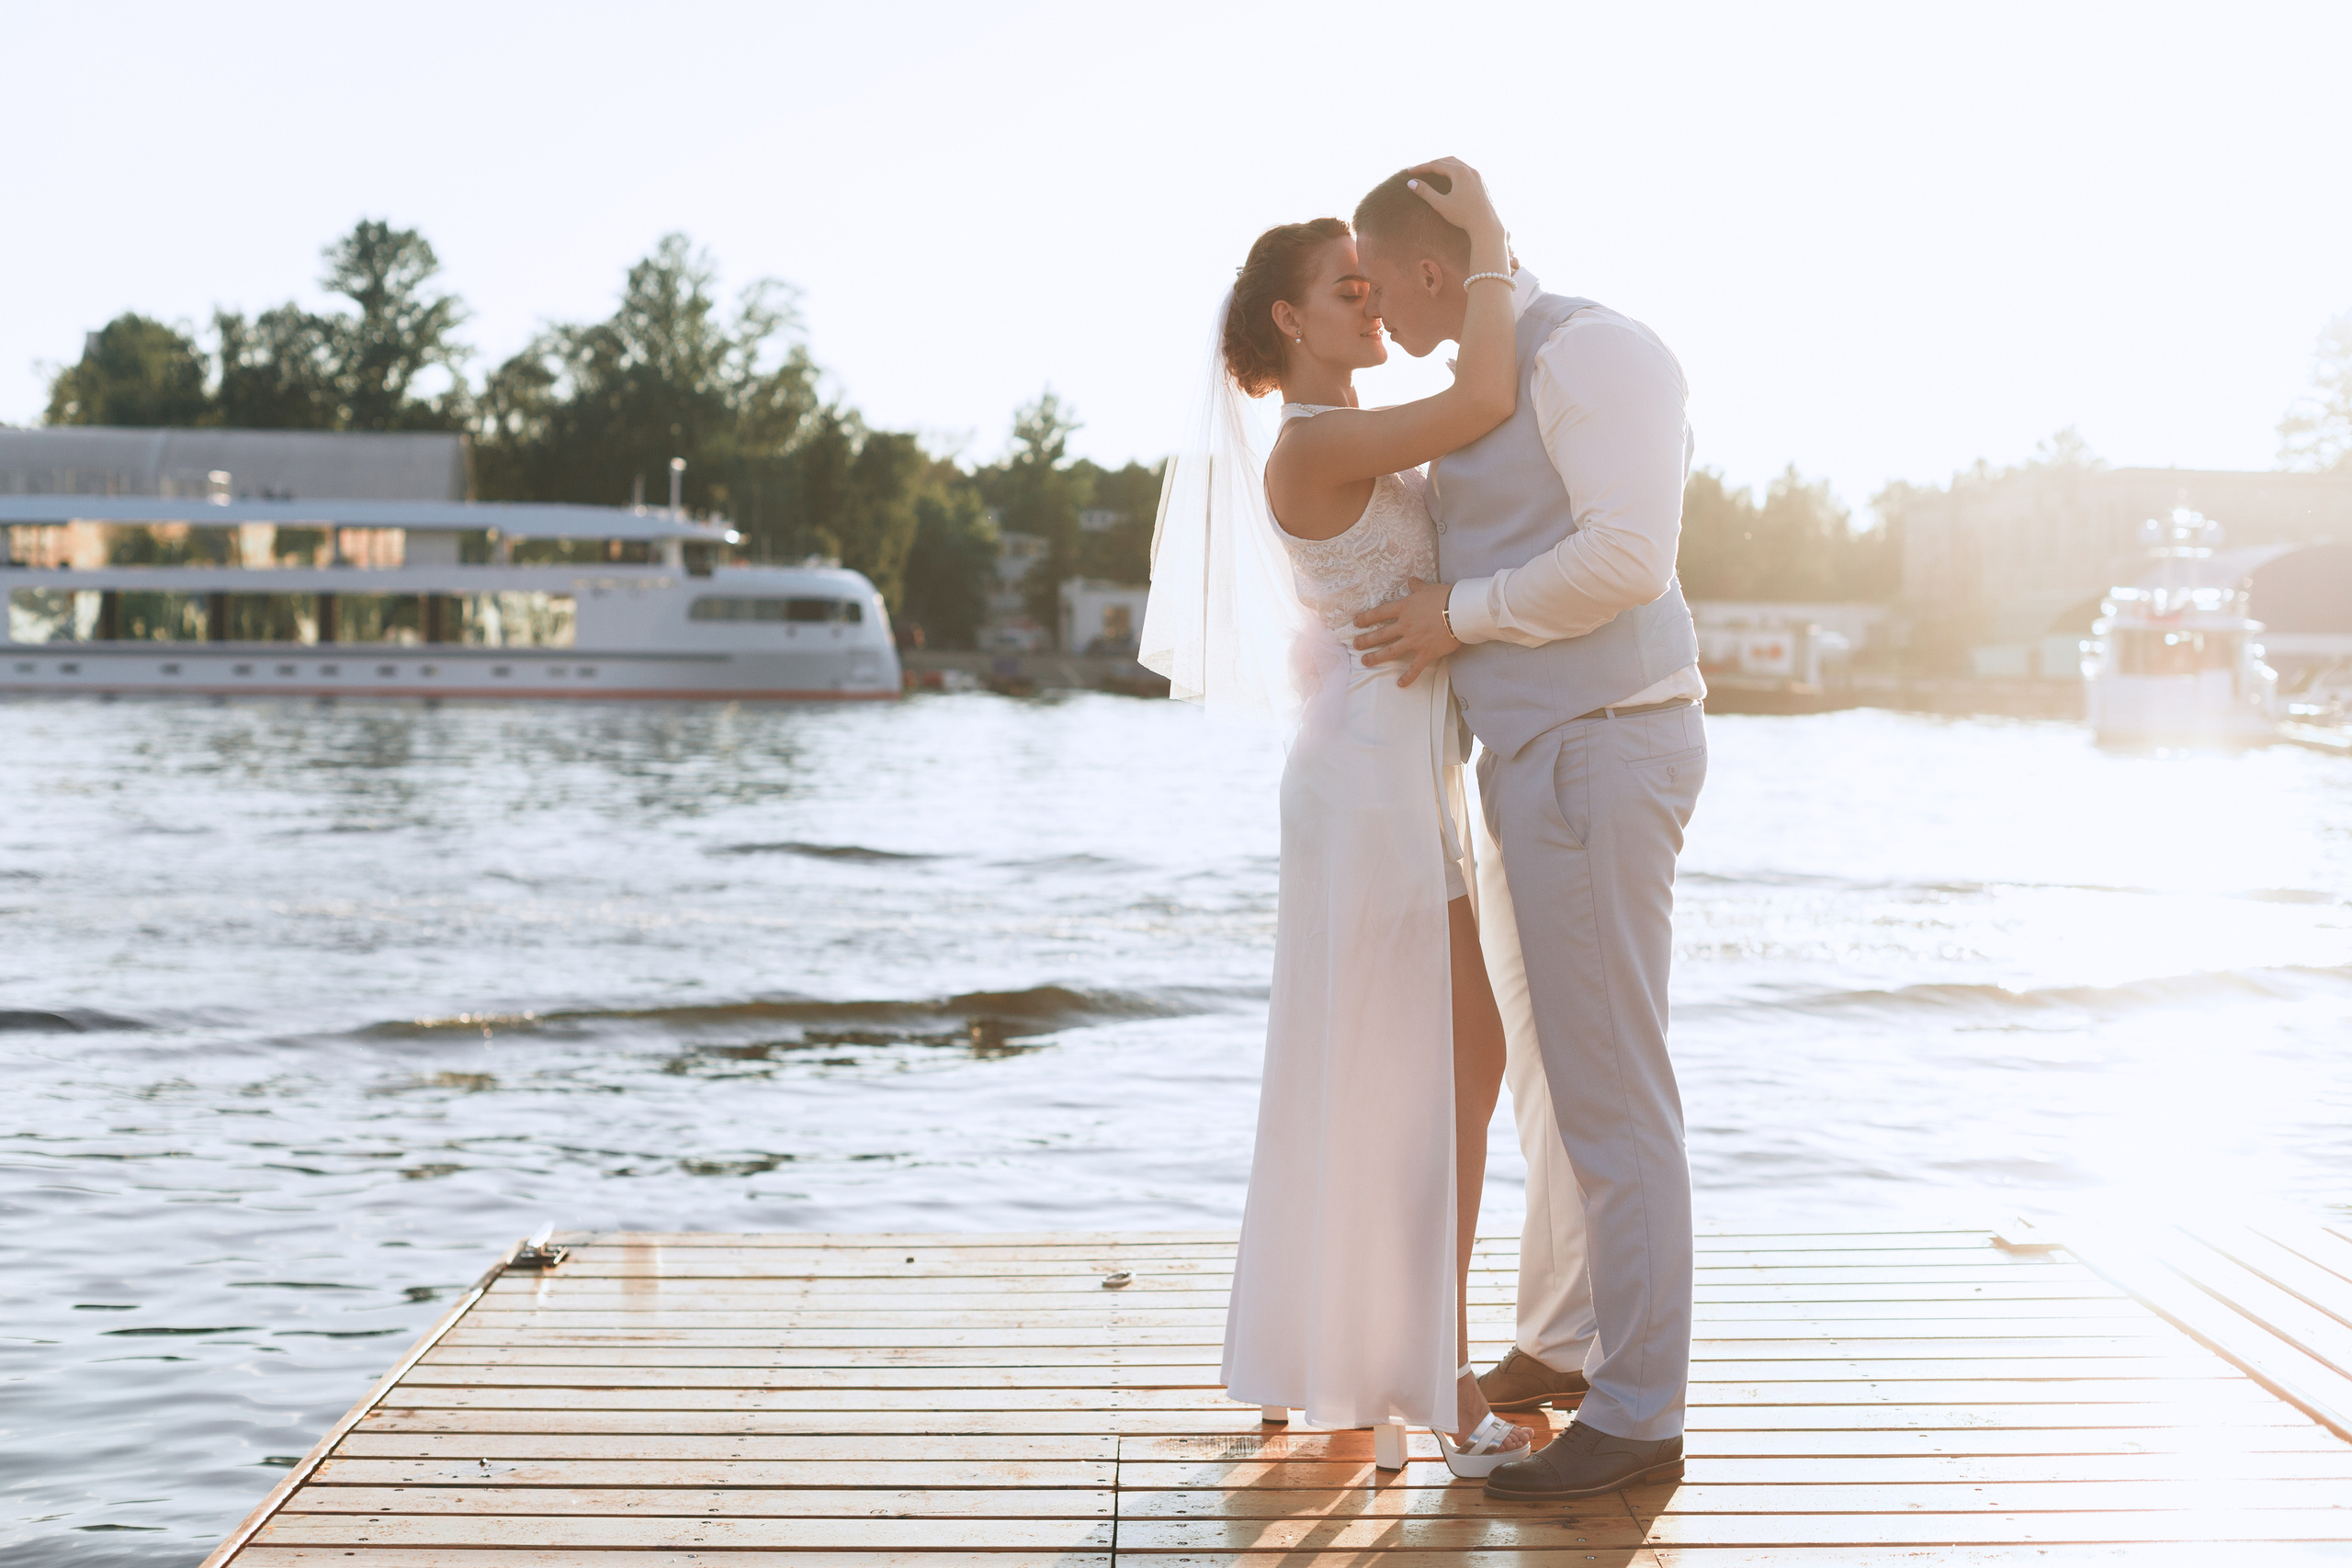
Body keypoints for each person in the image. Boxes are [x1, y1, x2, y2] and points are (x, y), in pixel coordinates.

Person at [1138, 158, 1532, 1477]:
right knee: (1431, 1074)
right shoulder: (1312, 446)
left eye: (1373, 286)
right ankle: (1437, 1374)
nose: (1372, 303)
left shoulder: (1357, 435)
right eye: (1347, 289)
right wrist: (1486, 237)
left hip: (1393, 778)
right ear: (1289, 320)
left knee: (1406, 1077)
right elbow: (1485, 394)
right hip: (1366, 791)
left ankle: (1352, 1356)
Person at [1347, 164, 1707, 1500]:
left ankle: (1641, 1412)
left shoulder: (1594, 352)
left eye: (1377, 285)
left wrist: (1459, 615)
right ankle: (1560, 1345)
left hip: (1605, 742)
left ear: (1433, 272)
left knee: (1613, 1090)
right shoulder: (1486, 383)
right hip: (1536, 758)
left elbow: (1629, 556)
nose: (1373, 311)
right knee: (1558, 1080)